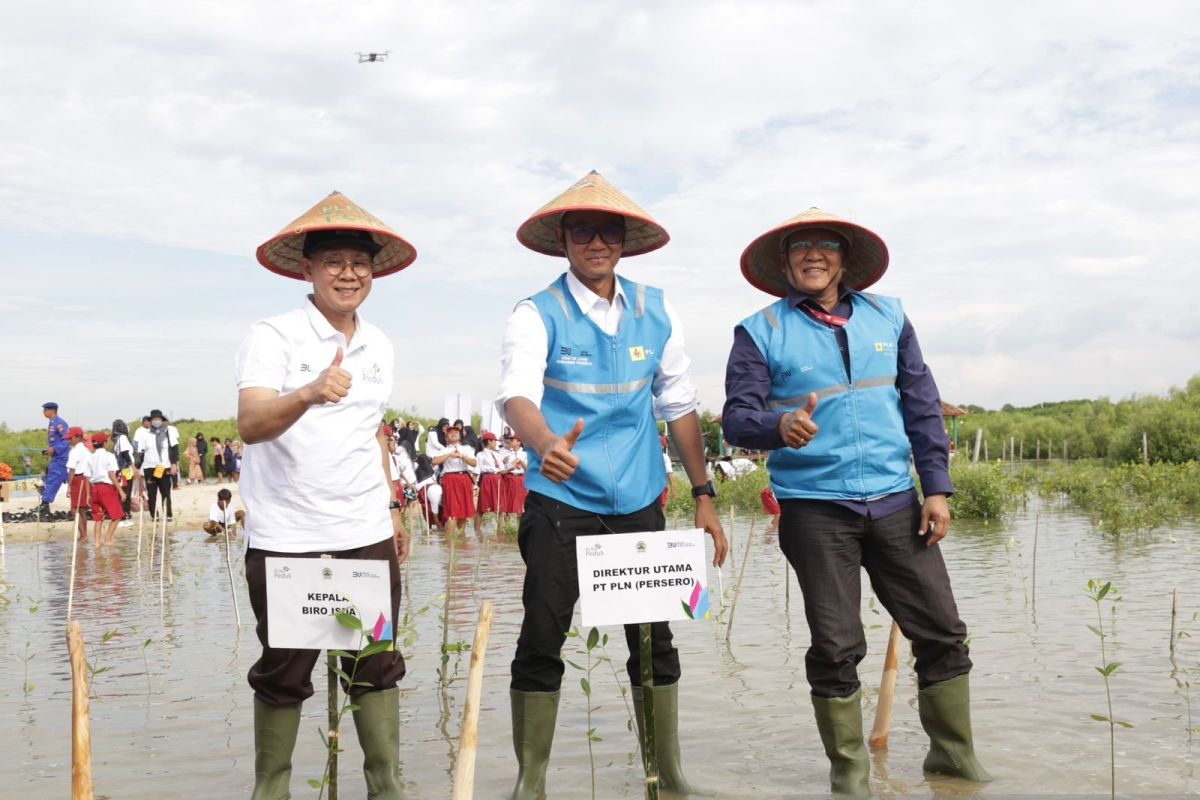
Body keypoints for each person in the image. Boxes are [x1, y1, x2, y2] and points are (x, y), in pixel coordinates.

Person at [721, 207, 990, 796]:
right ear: (785, 261)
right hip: (815, 508)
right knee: (838, 644)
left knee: (943, 630)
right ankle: (850, 776)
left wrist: (936, 488)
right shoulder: (758, 330)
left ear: (844, 259)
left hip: (897, 501)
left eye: (826, 245)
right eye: (800, 247)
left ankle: (952, 764)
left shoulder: (889, 316)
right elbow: (739, 419)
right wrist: (780, 425)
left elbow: (922, 404)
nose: (813, 255)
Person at [499, 170, 728, 797]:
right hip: (561, 501)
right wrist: (544, 443)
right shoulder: (535, 312)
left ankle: (668, 775)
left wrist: (703, 495)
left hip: (638, 505)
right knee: (543, 635)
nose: (595, 243)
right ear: (564, 241)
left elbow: (678, 405)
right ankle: (532, 781)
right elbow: (516, 394)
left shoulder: (657, 311)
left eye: (607, 232)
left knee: (654, 640)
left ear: (623, 241)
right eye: (582, 232)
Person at [237, 191, 415, 799]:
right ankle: (272, 790)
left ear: (374, 271)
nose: (348, 273)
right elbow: (251, 424)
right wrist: (309, 391)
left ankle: (385, 786)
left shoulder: (380, 344)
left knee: (375, 669)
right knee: (285, 672)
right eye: (333, 261)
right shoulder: (273, 335)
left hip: (364, 532)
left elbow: (371, 433)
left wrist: (392, 506)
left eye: (359, 263)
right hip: (288, 536)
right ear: (307, 269)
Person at [432, 425, 476, 535]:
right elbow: (434, 462)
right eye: (450, 433)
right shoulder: (444, 450)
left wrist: (462, 456)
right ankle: (449, 543)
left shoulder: (467, 448)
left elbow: (474, 463)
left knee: (463, 513)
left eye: (456, 432)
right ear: (446, 437)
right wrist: (449, 454)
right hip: (450, 479)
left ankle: (461, 541)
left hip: (464, 478)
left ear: (460, 435)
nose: (454, 434)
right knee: (452, 512)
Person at [87, 433, 126, 546]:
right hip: (106, 488)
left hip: (95, 488)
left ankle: (97, 543)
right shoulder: (109, 456)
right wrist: (120, 490)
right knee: (117, 515)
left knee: (99, 518)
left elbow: (87, 476)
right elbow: (111, 473)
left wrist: (89, 494)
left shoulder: (91, 457)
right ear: (105, 443)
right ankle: (108, 539)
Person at [141, 409, 177, 521]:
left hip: (164, 466)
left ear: (162, 420)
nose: (156, 421)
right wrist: (137, 468)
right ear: (150, 421)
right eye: (154, 419)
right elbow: (140, 452)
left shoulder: (168, 433)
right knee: (151, 493)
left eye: (158, 419)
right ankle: (154, 515)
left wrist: (174, 464)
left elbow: (175, 449)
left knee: (165, 492)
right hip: (149, 467)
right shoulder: (145, 434)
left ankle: (168, 515)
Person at [38, 402, 70, 517]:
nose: (44, 412)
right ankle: (44, 504)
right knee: (50, 479)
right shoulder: (52, 423)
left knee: (54, 479)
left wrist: (55, 449)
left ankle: (45, 504)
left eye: (45, 410)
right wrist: (50, 450)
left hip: (62, 457)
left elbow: (67, 440)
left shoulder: (60, 423)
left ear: (52, 410)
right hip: (56, 457)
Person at [65, 426, 92, 541]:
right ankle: (84, 534)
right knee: (81, 509)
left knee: (74, 509)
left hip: (77, 479)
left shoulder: (74, 451)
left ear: (77, 437)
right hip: (86, 479)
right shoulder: (86, 450)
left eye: (70, 438)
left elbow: (72, 470)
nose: (69, 440)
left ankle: (83, 535)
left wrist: (69, 487)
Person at [473, 431, 503, 533]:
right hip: (487, 480)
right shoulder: (480, 455)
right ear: (489, 442)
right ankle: (477, 532)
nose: (496, 444)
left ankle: (500, 531)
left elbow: (502, 469)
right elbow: (477, 471)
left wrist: (512, 467)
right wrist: (475, 486)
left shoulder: (497, 455)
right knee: (482, 507)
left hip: (498, 479)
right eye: (494, 442)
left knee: (500, 508)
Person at [498, 434, 528, 532]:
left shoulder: (525, 454)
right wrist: (503, 461)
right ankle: (507, 528)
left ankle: (521, 529)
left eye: (513, 440)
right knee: (506, 504)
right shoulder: (506, 454)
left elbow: (528, 470)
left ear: (519, 442)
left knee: (520, 505)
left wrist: (521, 462)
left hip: (519, 479)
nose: (511, 442)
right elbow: (500, 468)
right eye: (510, 440)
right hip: (507, 479)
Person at [111, 419, 136, 525]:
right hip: (125, 470)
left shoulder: (117, 439)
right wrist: (133, 466)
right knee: (126, 492)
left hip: (120, 470)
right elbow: (125, 453)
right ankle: (124, 515)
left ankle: (123, 514)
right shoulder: (123, 438)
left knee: (122, 491)